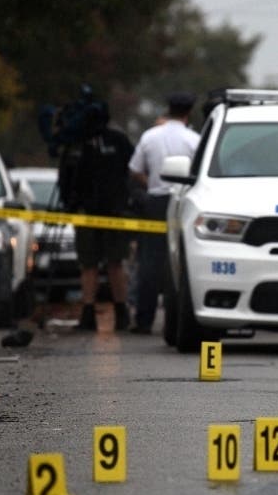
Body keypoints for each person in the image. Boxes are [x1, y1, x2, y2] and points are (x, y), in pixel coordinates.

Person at [58, 98, 136, 331]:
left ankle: (109, 313)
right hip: (103, 212)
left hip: (102, 212)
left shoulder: (83, 143)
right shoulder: (95, 142)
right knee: (104, 264)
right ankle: (100, 313)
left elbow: (65, 180)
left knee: (102, 265)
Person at [128, 92, 201, 334]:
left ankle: (144, 320)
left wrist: (149, 182)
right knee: (182, 261)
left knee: (149, 262)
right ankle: (180, 319)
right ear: (188, 112)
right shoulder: (194, 139)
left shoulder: (150, 136)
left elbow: (135, 169)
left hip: (155, 202)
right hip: (183, 202)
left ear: (168, 109)